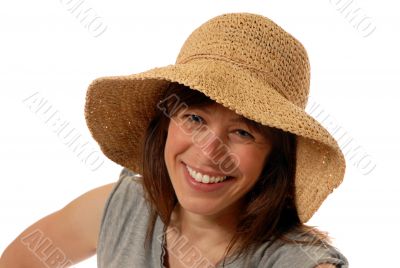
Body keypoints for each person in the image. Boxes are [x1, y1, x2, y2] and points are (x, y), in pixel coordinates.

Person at [0, 12, 349, 268]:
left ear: (275, 156)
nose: (209, 151)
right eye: (195, 118)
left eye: (243, 132)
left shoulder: (294, 262)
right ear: (165, 123)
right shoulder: (121, 210)